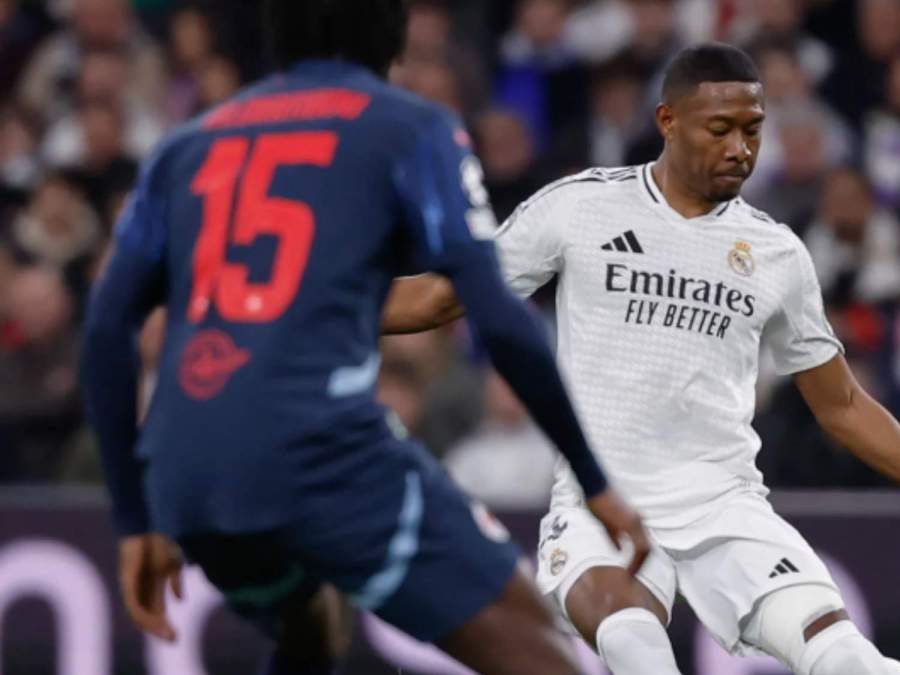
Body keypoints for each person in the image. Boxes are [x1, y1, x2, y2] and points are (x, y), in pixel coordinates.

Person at [384, 43, 900, 675]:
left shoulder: (775, 253)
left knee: (845, 659)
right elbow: (443, 297)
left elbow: (840, 406)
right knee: (640, 652)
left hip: (726, 507)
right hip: (602, 506)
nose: (740, 148)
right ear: (668, 121)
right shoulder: (582, 207)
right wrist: (312, 305)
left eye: (753, 129)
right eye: (720, 128)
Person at [79, 2, 648, 674]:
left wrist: (133, 517)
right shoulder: (406, 127)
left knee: (313, 622)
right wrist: (591, 476)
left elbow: (104, 329)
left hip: (188, 474)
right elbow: (494, 315)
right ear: (391, 30)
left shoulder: (186, 146)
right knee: (542, 649)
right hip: (323, 453)